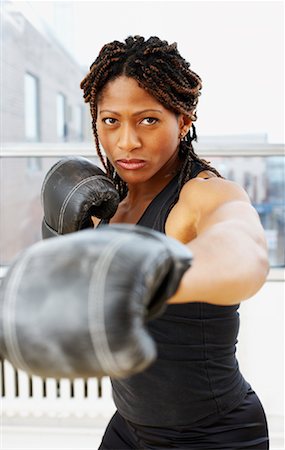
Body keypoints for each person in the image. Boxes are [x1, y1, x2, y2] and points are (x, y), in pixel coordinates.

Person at [78, 36, 270, 449]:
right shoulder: (107, 201)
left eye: (147, 120)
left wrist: (149, 276)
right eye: (111, 120)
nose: (126, 141)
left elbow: (243, 249)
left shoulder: (203, 195)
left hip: (213, 435)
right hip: (129, 426)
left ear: (183, 121)